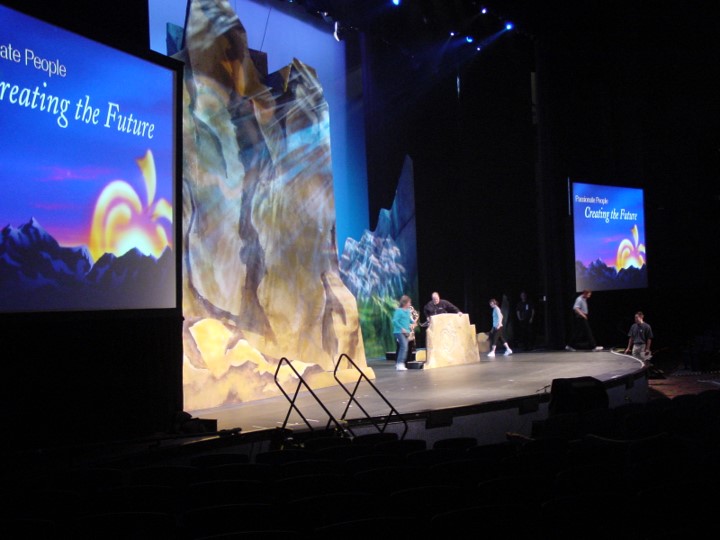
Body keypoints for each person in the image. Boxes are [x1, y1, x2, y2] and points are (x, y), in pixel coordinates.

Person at [392, 295, 414, 371]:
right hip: (399, 332)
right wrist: (402, 328)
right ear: (405, 303)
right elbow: (395, 321)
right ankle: (399, 363)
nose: (410, 304)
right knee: (404, 346)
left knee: (405, 347)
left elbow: (409, 320)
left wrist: (413, 322)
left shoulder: (408, 311)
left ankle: (400, 363)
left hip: (406, 332)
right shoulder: (399, 311)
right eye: (409, 302)